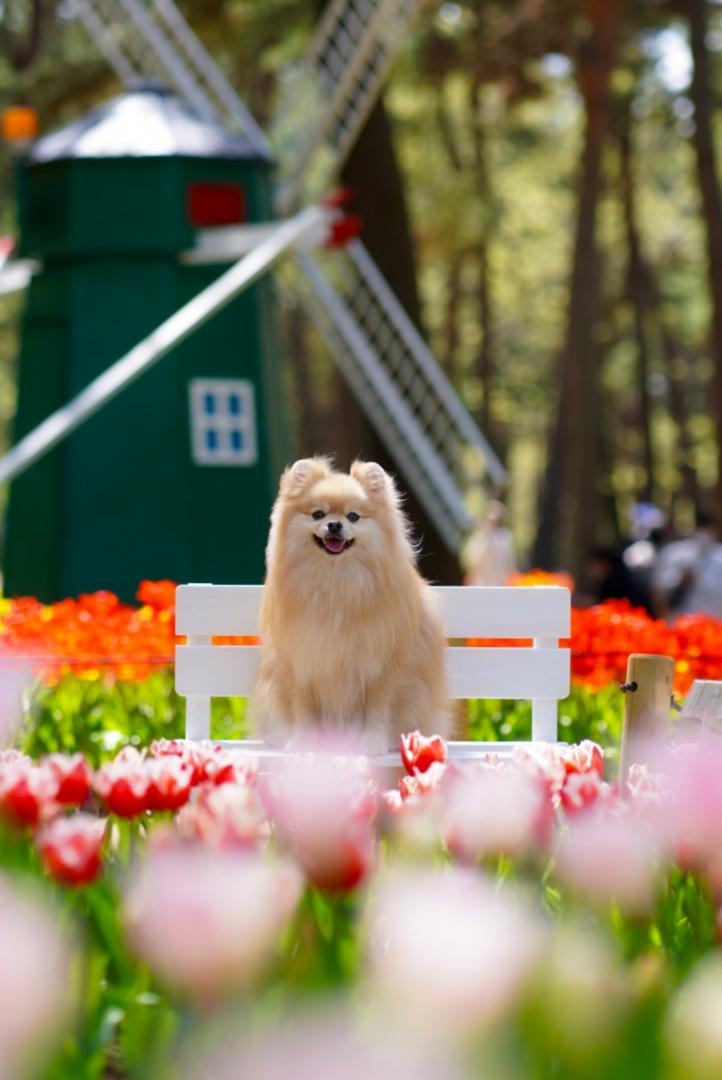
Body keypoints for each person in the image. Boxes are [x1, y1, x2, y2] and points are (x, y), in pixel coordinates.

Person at [652, 510, 722, 618]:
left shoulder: (719, 555)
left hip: (715, 626)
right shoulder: (673, 553)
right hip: (679, 624)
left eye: (706, 526)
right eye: (700, 526)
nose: (703, 532)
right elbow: (659, 593)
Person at [462, 500, 516, 586]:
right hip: (481, 585)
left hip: (499, 584)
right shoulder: (479, 537)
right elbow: (470, 562)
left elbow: (510, 564)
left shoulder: (505, 537)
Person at [587, 545, 654, 613]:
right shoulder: (620, 575)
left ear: (604, 563)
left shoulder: (615, 582)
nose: (591, 570)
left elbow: (608, 608)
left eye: (593, 566)